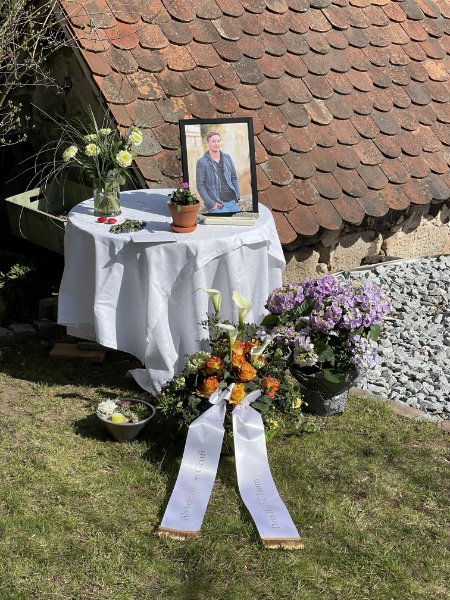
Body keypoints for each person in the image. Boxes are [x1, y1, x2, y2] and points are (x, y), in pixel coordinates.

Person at [195, 131, 241, 213]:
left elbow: (234, 178)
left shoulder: (227, 158)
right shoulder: (202, 162)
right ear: (207, 143)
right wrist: (211, 203)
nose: (216, 144)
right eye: (213, 141)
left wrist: (237, 194)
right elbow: (200, 186)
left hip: (233, 203)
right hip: (218, 207)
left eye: (218, 141)